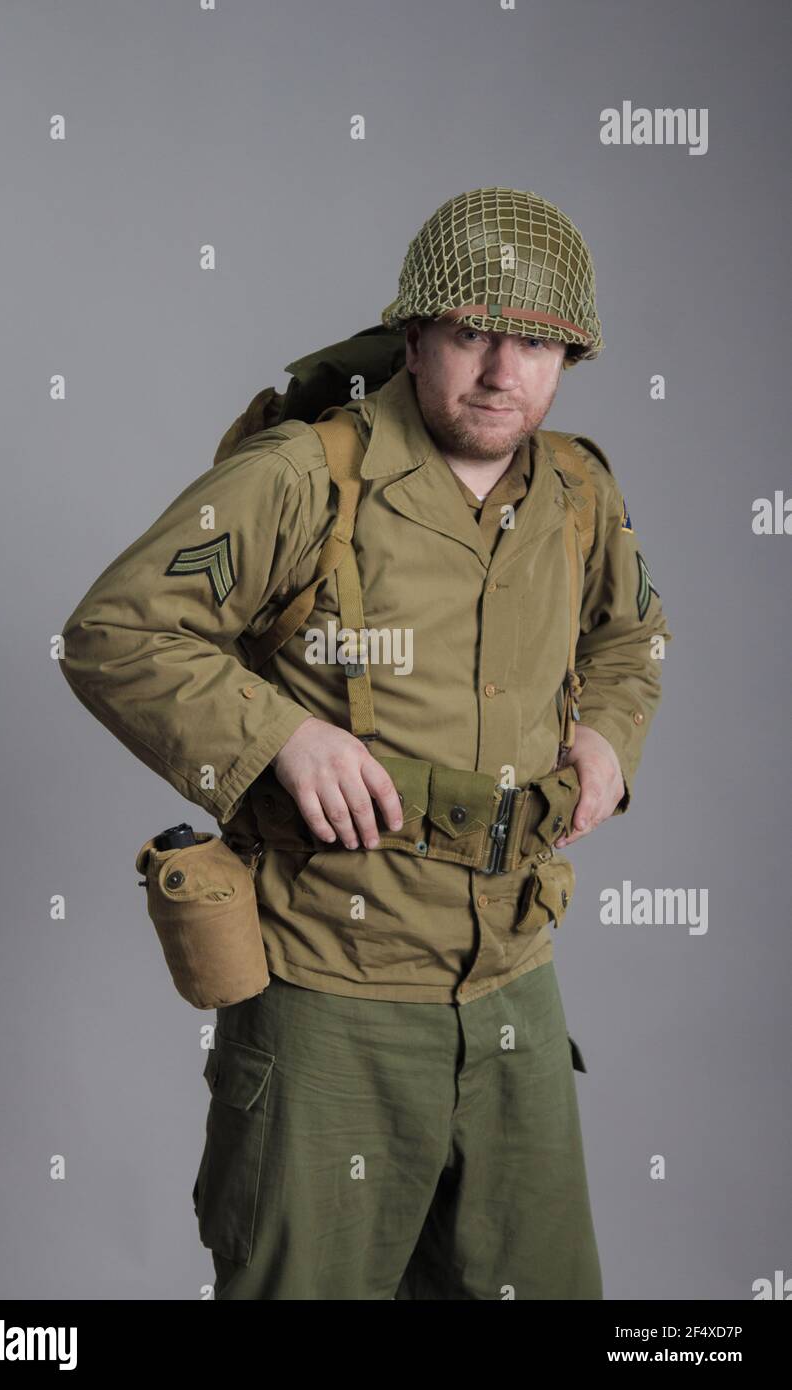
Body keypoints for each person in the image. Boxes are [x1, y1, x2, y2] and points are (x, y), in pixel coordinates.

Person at [60, 187, 673, 1300]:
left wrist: (609, 736)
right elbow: (112, 633)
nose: (501, 370)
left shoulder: (579, 491)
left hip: (510, 990)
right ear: (414, 333)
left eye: (536, 341)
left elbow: (629, 636)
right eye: (471, 331)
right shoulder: (306, 475)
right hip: (327, 989)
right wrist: (277, 735)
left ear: (569, 356)